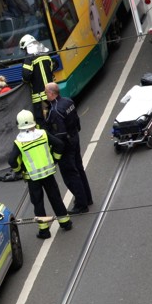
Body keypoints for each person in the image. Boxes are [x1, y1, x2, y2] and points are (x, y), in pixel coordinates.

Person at [8, 109, 72, 239]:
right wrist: (55, 159)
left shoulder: (19, 142)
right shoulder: (43, 134)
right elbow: (59, 144)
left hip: (33, 178)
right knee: (55, 198)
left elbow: (12, 161)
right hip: (48, 173)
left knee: (38, 203)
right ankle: (65, 223)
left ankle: (44, 231)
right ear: (33, 121)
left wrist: (18, 170)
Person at [45, 82, 93, 213]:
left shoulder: (54, 111)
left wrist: (56, 152)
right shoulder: (68, 101)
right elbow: (76, 119)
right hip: (75, 137)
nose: (44, 95)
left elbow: (59, 134)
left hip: (66, 145)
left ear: (51, 93)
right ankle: (87, 198)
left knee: (70, 175)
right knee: (79, 168)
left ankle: (81, 204)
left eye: (45, 93)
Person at [20, 34, 54, 124]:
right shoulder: (47, 56)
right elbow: (51, 70)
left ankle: (46, 137)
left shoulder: (29, 59)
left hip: (39, 98)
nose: (24, 52)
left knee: (41, 121)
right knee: (54, 117)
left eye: (24, 49)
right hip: (52, 94)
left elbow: (26, 77)